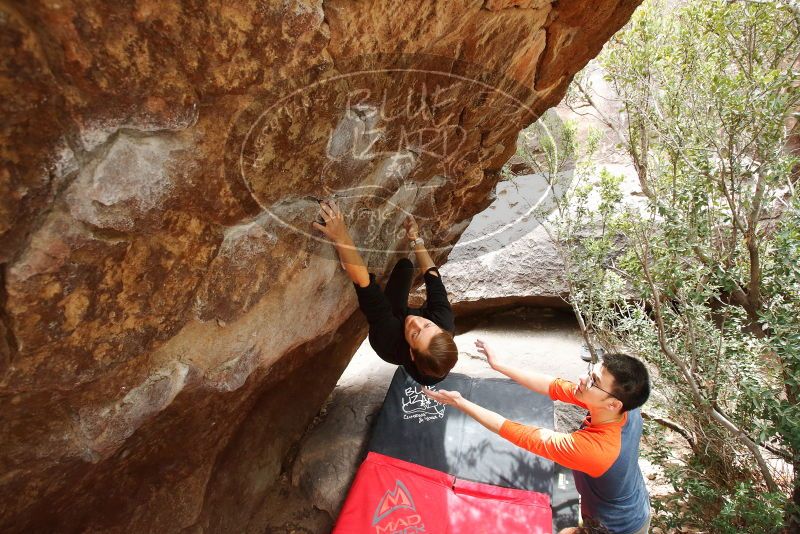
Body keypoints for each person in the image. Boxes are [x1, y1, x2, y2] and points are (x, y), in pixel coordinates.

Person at [424, 339, 652, 534]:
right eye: (590, 371)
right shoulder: (623, 407)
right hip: (633, 502)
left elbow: (519, 433)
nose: (583, 378)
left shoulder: (595, 450)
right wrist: (499, 365)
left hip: (618, 526)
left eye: (593, 381)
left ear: (613, 404)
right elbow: (554, 386)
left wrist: (460, 402)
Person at [313, 200, 458, 385]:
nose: (416, 323)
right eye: (427, 326)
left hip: (394, 332)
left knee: (366, 285)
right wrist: (415, 238)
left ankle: (348, 259)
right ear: (441, 329)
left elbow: (363, 283)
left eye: (415, 334)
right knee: (405, 266)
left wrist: (341, 237)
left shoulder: (388, 340)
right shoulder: (443, 319)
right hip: (413, 328)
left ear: (412, 352)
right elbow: (433, 277)